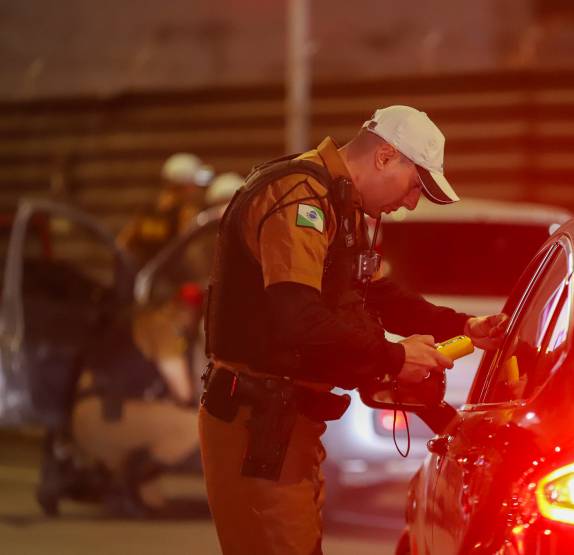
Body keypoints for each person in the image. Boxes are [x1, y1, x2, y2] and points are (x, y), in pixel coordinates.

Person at [199, 105, 508, 554]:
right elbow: (298, 317)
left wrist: (463, 325)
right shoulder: (299, 196)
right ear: (385, 157)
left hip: (287, 422)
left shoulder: (338, 205)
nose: (410, 202)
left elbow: (376, 296)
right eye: (415, 185)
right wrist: (395, 357)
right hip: (258, 423)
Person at [37, 284, 204, 517]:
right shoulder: (163, 326)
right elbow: (184, 392)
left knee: (154, 499)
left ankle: (75, 473)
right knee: (196, 427)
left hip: (93, 414)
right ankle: (125, 487)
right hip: (105, 417)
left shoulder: (134, 321)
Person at [118, 153, 211, 265]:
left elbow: (122, 245)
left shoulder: (147, 211)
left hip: (145, 278)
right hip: (172, 279)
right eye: (195, 186)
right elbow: (192, 254)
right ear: (188, 187)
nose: (198, 191)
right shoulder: (185, 214)